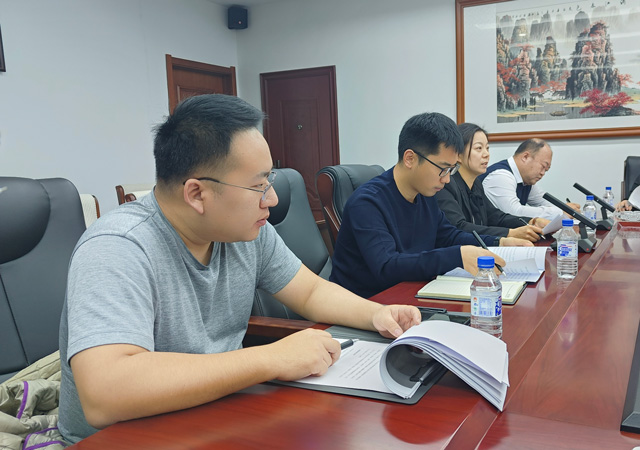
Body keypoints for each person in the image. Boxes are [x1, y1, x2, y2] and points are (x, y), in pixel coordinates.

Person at [57, 94, 421, 444]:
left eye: (270, 181)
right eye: (258, 185)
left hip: (212, 416)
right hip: (127, 438)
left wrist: (377, 314)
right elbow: (105, 393)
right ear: (197, 194)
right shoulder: (118, 247)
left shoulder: (245, 232)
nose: (272, 199)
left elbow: (310, 291)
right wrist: (272, 358)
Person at [329, 112, 530, 299]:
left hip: (410, 295)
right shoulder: (367, 203)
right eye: (443, 169)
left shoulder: (425, 193)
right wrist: (457, 256)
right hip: (366, 305)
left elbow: (448, 236)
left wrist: (499, 242)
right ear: (410, 158)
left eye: (452, 170)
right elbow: (387, 266)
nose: (447, 179)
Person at [434, 123, 549, 243]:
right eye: (479, 148)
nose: (486, 154)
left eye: (487, 148)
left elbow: (495, 217)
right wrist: (510, 233)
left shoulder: (476, 184)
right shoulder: (446, 184)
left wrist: (532, 221)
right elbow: (459, 227)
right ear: (458, 154)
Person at [481, 138, 580, 221]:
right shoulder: (500, 176)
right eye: (543, 166)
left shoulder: (525, 181)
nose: (543, 173)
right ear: (525, 157)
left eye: (546, 170)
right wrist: (560, 211)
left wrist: (565, 208)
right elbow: (514, 212)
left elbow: (543, 200)